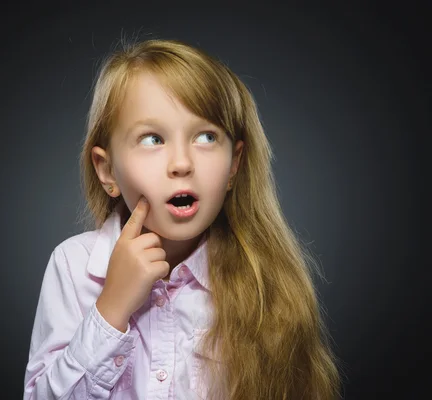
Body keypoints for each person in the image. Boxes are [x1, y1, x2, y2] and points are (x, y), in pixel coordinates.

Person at [23, 38, 342, 399]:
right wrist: (111, 307)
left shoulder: (266, 282)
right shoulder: (74, 266)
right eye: (152, 139)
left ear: (234, 165)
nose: (182, 164)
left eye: (206, 137)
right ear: (107, 170)